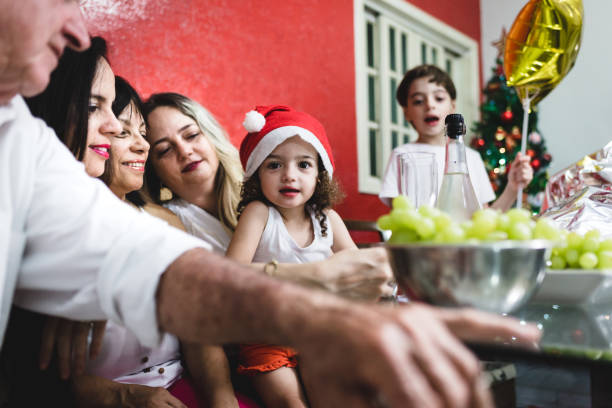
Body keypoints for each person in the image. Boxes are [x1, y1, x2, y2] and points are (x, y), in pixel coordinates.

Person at [1, 2, 543, 407]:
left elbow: (148, 269)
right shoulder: (148, 209)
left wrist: (331, 310)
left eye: (187, 134)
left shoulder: (25, 143)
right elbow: (155, 269)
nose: (127, 135)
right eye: (158, 145)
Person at [143, 93, 392, 301]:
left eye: (191, 135)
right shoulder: (165, 223)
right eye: (164, 150)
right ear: (153, 169)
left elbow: (353, 260)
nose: (185, 151)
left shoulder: (278, 195)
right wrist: (316, 273)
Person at [225, 105, 359, 407]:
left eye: (304, 165)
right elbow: (231, 272)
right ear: (257, 173)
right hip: (265, 335)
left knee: (331, 396)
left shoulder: (328, 219)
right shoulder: (259, 213)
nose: (289, 176)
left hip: (317, 332)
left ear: (320, 173)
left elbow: (359, 268)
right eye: (274, 165)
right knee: (290, 403)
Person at [379, 64, 533, 211]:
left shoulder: (472, 158)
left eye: (438, 98)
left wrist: (512, 188)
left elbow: (484, 219)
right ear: (407, 112)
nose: (429, 105)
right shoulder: (402, 156)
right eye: (418, 101)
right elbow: (402, 217)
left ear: (452, 106)